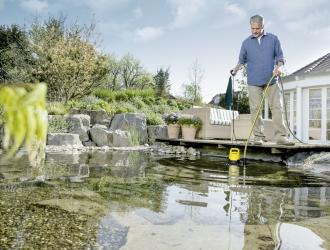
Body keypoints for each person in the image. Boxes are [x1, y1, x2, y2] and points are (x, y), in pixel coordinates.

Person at [231, 14, 294, 146]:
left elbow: (280, 57)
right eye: (252, 28)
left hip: (271, 79)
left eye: (257, 28)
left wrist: (279, 68)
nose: (255, 31)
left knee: (277, 107)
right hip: (253, 80)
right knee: (255, 110)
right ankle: (258, 137)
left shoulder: (273, 39)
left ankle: (281, 137)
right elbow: (241, 60)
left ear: (263, 26)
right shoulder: (246, 43)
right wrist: (236, 69)